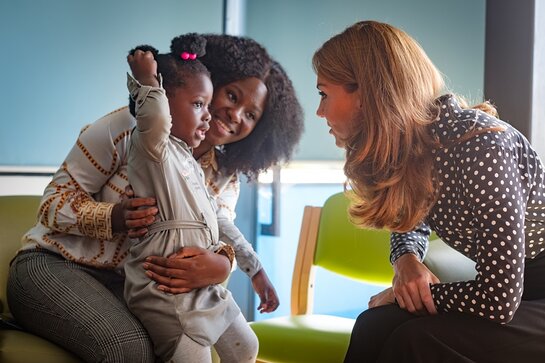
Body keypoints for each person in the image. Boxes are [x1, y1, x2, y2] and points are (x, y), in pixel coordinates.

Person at [7, 33, 303, 362]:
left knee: (187, 341)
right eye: (231, 96)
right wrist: (113, 217)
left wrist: (223, 264)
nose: (236, 114)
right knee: (128, 348)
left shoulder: (224, 175)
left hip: (131, 286)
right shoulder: (129, 128)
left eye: (251, 115)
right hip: (54, 265)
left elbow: (214, 233)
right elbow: (51, 204)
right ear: (208, 82)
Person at [312, 20, 545, 362]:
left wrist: (405, 296)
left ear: (365, 94)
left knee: (415, 340)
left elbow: (498, 300)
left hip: (529, 294)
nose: (320, 111)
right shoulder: (418, 147)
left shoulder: (479, 145)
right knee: (373, 324)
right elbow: (411, 218)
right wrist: (406, 259)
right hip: (519, 292)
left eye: (323, 93)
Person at [124, 34, 278, 363]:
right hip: (167, 289)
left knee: (247, 347)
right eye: (199, 105)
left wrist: (254, 268)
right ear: (163, 102)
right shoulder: (153, 147)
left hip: (205, 290)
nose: (209, 116)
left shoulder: (190, 162)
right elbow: (153, 118)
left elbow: (218, 219)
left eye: (207, 106)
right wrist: (148, 80)